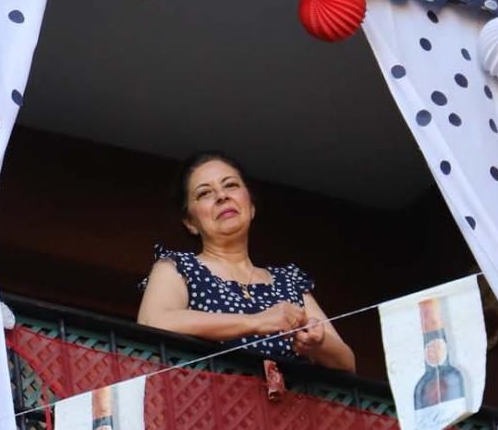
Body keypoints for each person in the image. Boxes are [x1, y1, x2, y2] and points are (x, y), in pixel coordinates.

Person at [138, 153, 356, 372]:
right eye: (205, 193)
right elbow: (153, 321)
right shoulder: (178, 267)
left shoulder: (288, 282)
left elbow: (347, 364)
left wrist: (317, 344)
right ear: (190, 222)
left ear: (251, 206)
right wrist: (256, 322)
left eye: (231, 185)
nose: (222, 196)